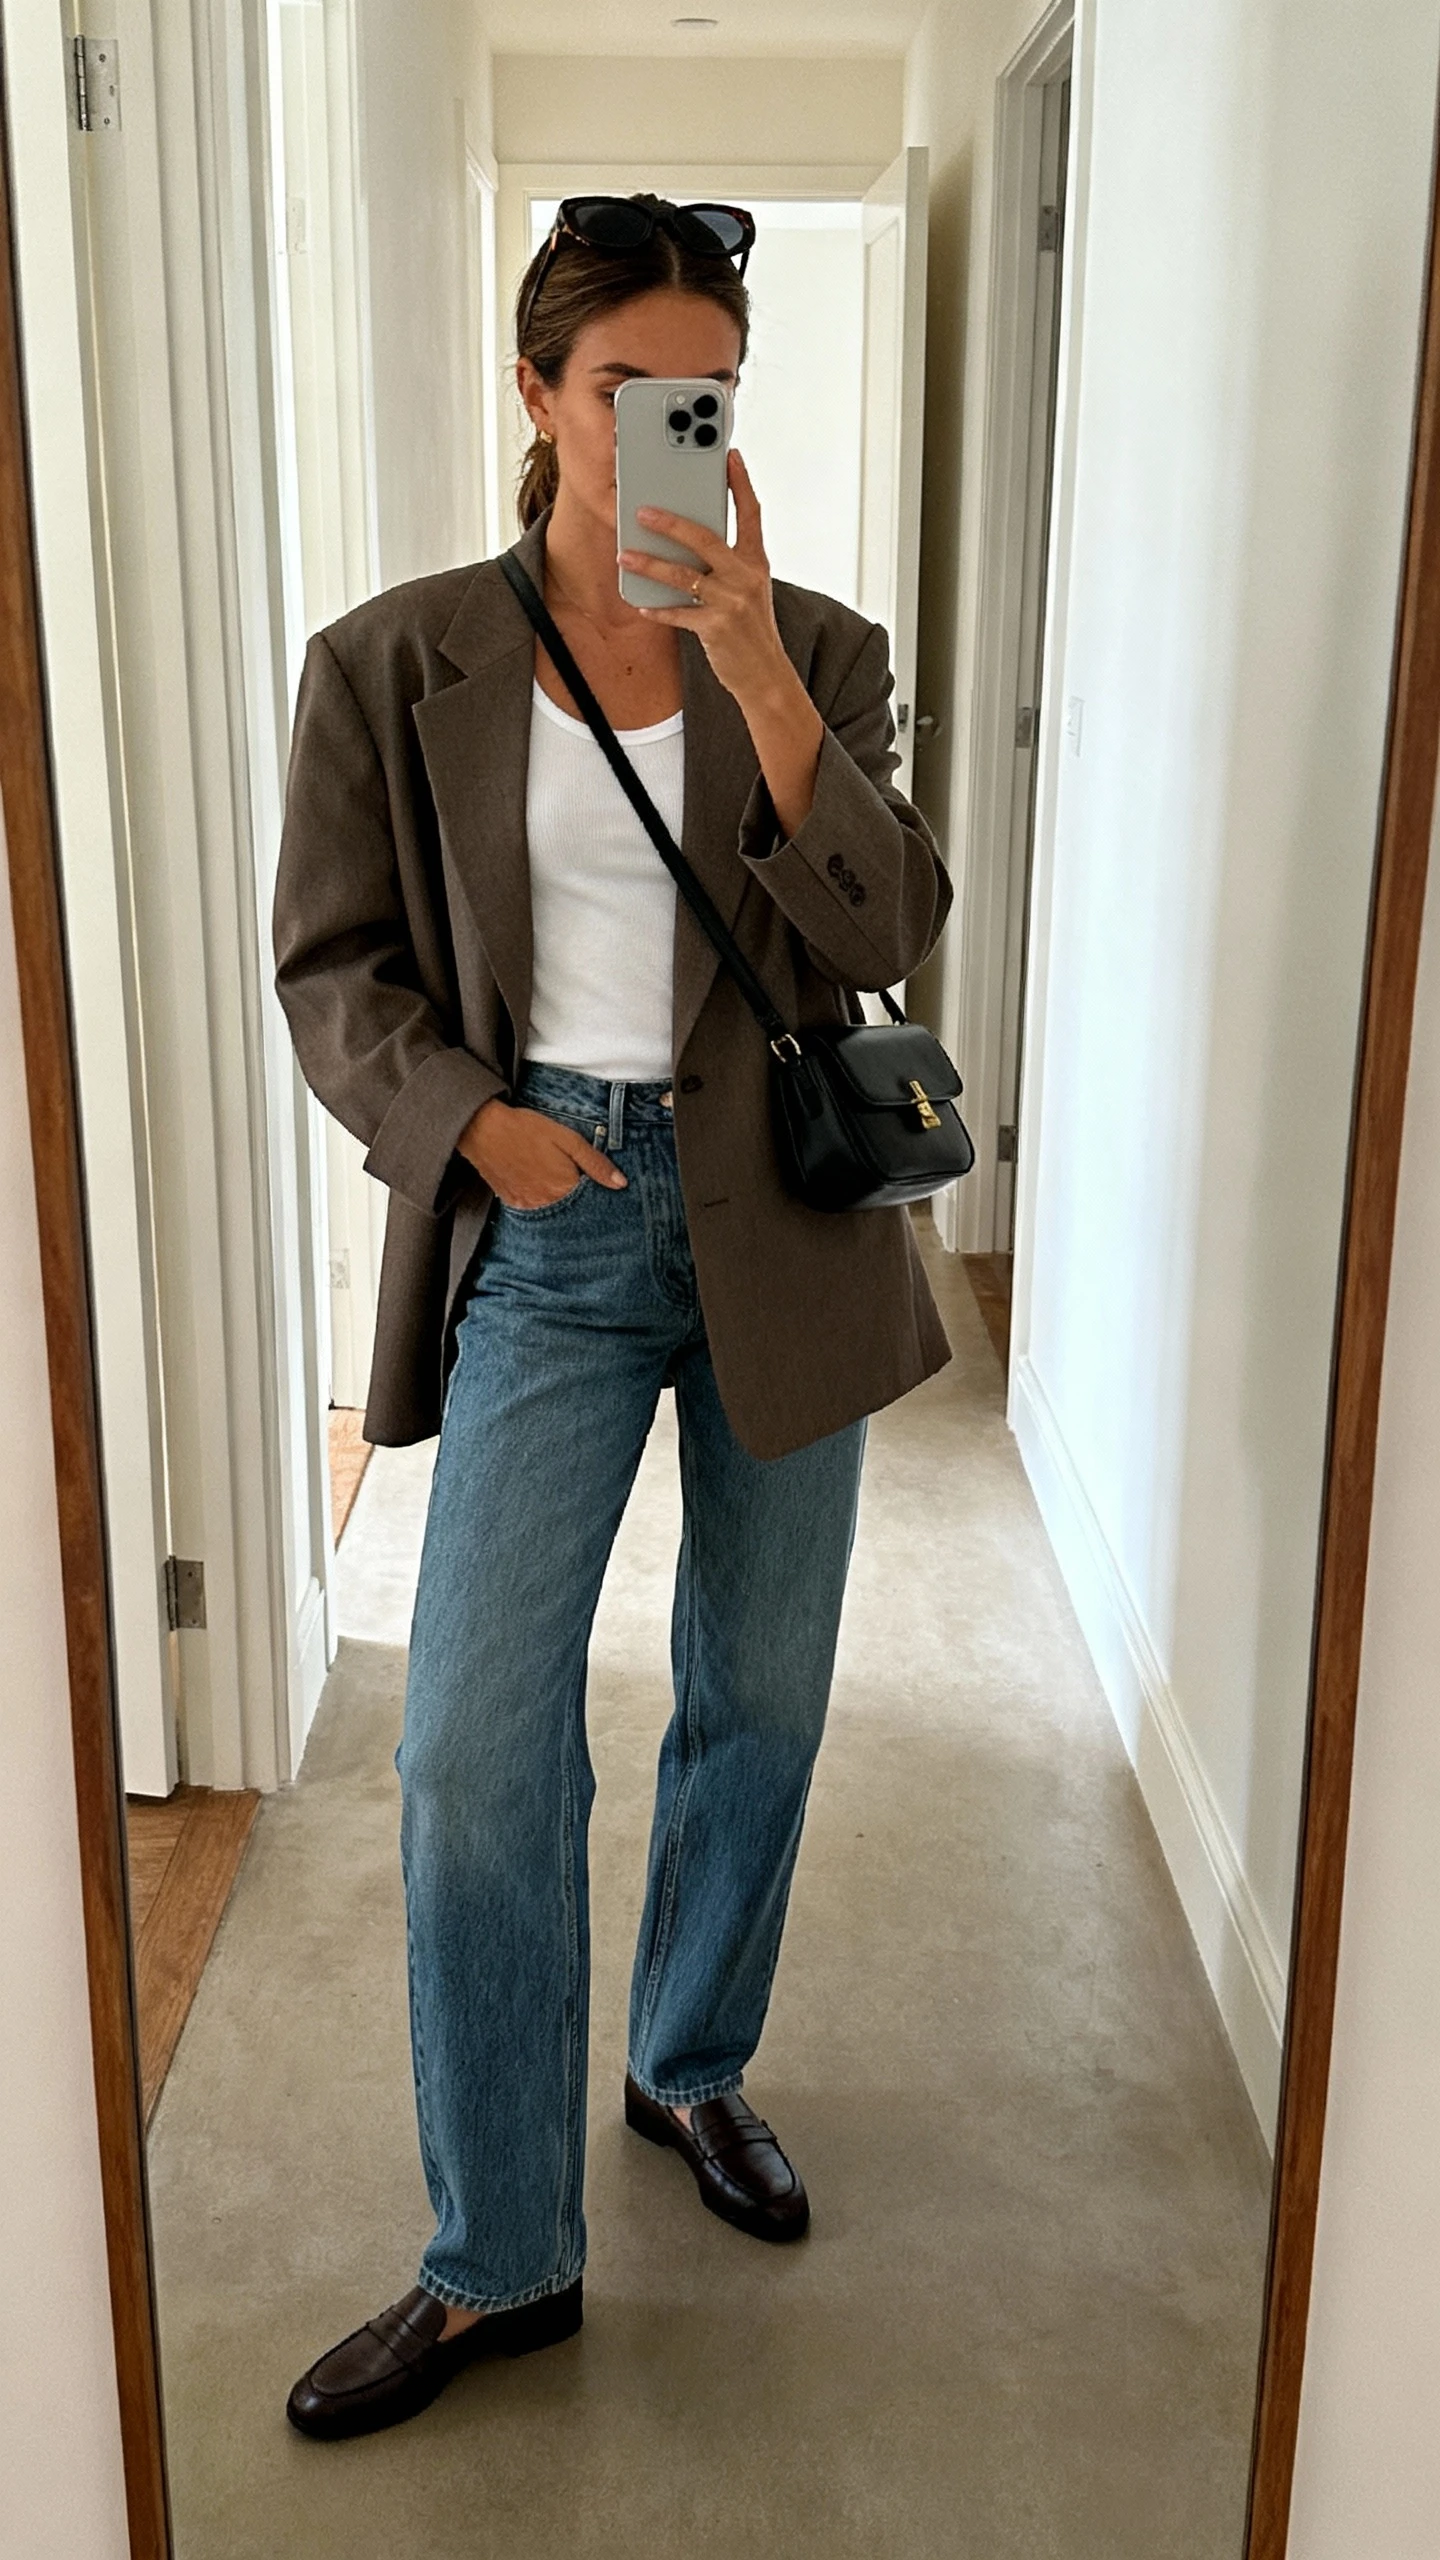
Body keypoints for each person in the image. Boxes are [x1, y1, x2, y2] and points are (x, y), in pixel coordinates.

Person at [273, 193, 953, 2441]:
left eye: (711, 403)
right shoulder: (393, 659)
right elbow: (337, 970)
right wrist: (472, 1127)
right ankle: (497, 2258)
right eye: (628, 394)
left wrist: (756, 671)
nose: (671, 434)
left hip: (784, 1216)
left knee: (757, 1697)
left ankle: (689, 2066)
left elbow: (891, 920)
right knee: (475, 1746)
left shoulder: (819, 645)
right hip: (544, 1223)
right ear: (542, 395)